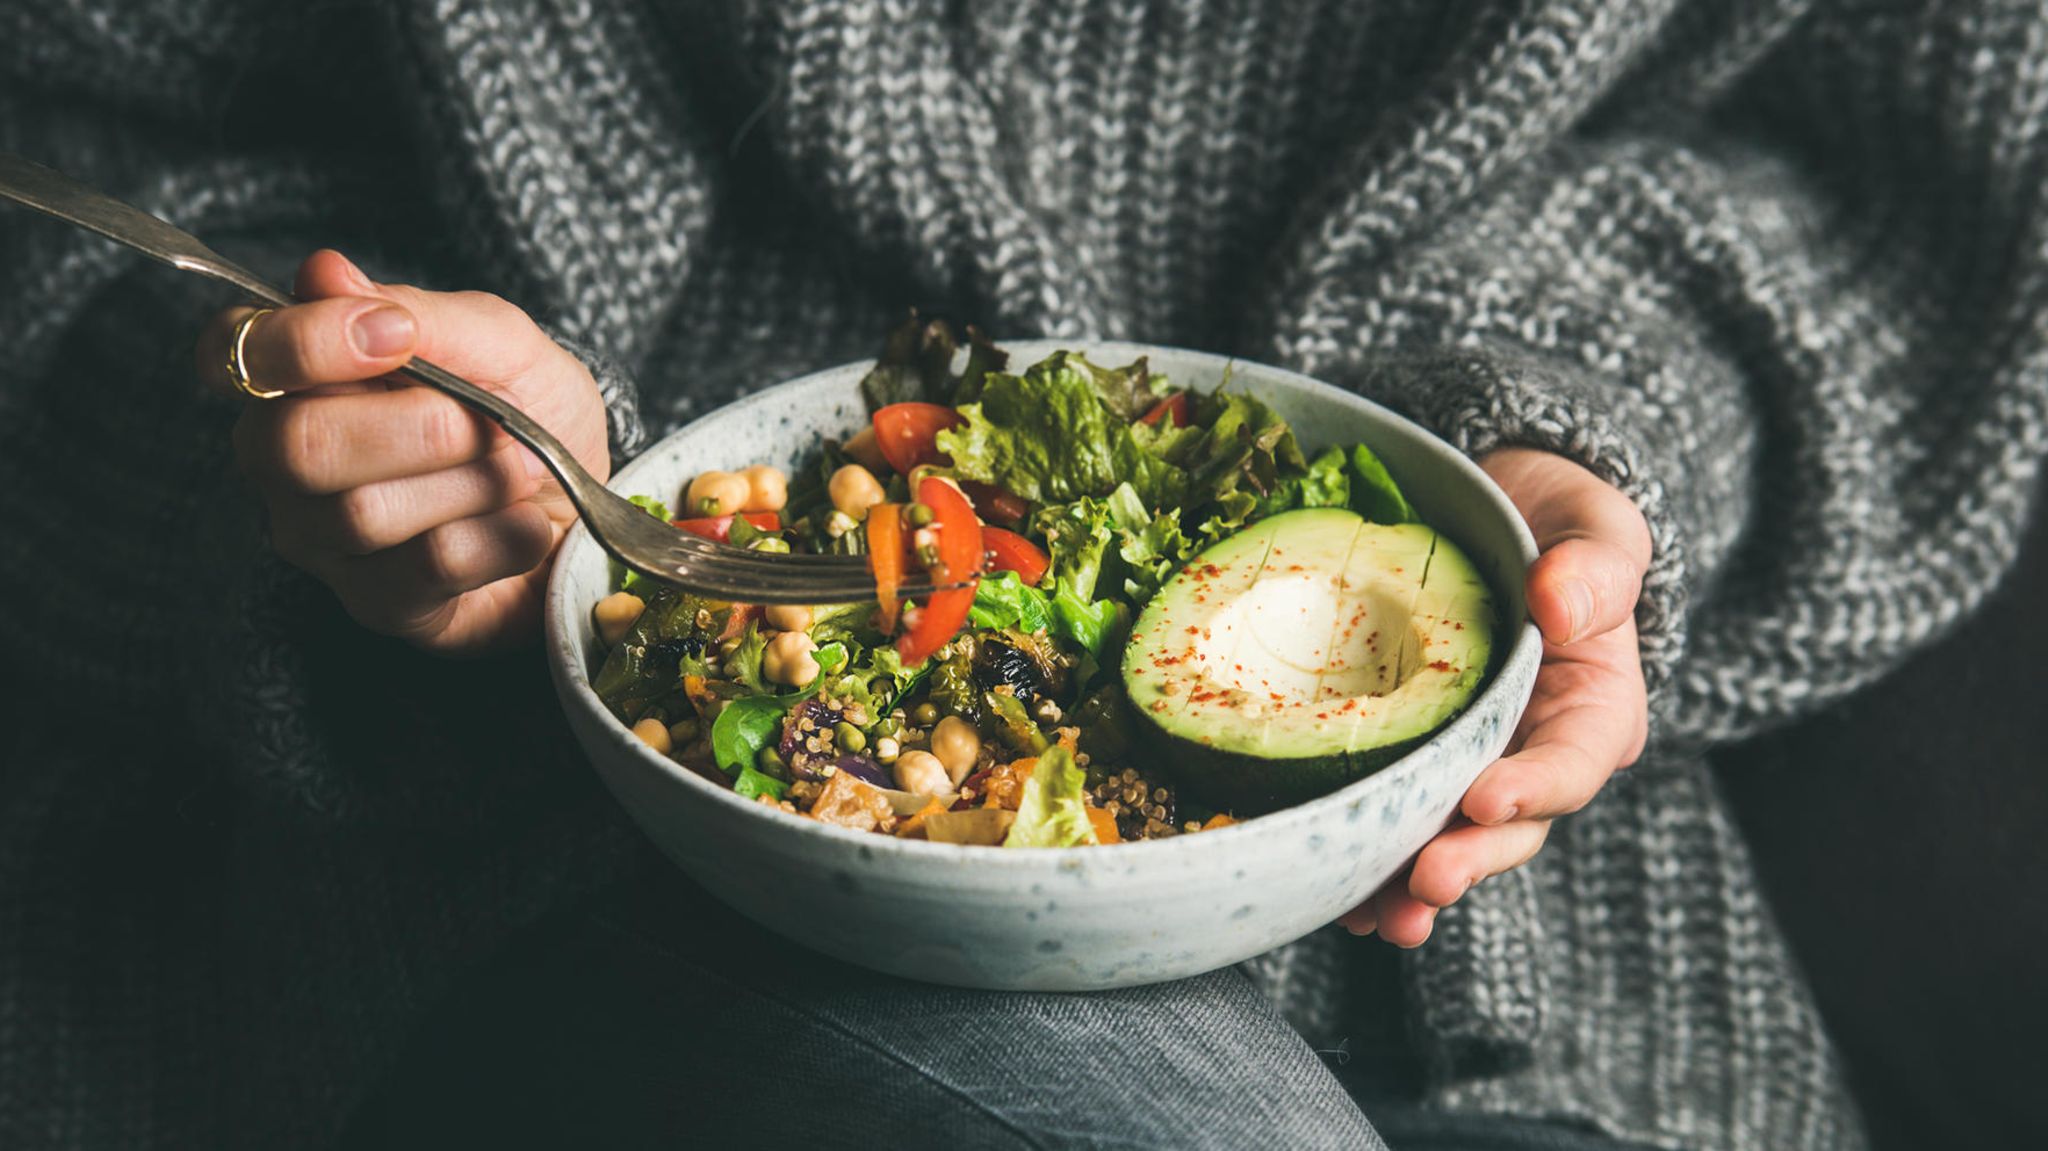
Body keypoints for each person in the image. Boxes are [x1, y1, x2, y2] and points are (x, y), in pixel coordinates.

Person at [1, 1, 2039, 1148]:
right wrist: (317, 462)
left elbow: (1906, 188)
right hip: (525, 905)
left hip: (1535, 988)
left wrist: (1569, 452)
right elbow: (71, 172)